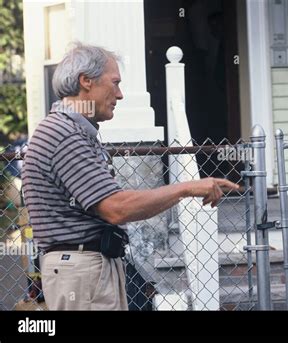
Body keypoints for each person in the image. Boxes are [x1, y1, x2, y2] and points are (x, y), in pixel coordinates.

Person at [21, 43, 239, 310]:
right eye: (114, 83)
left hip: (84, 269)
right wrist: (187, 188)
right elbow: (116, 208)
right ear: (86, 81)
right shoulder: (64, 135)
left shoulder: (71, 130)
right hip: (81, 272)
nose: (120, 95)